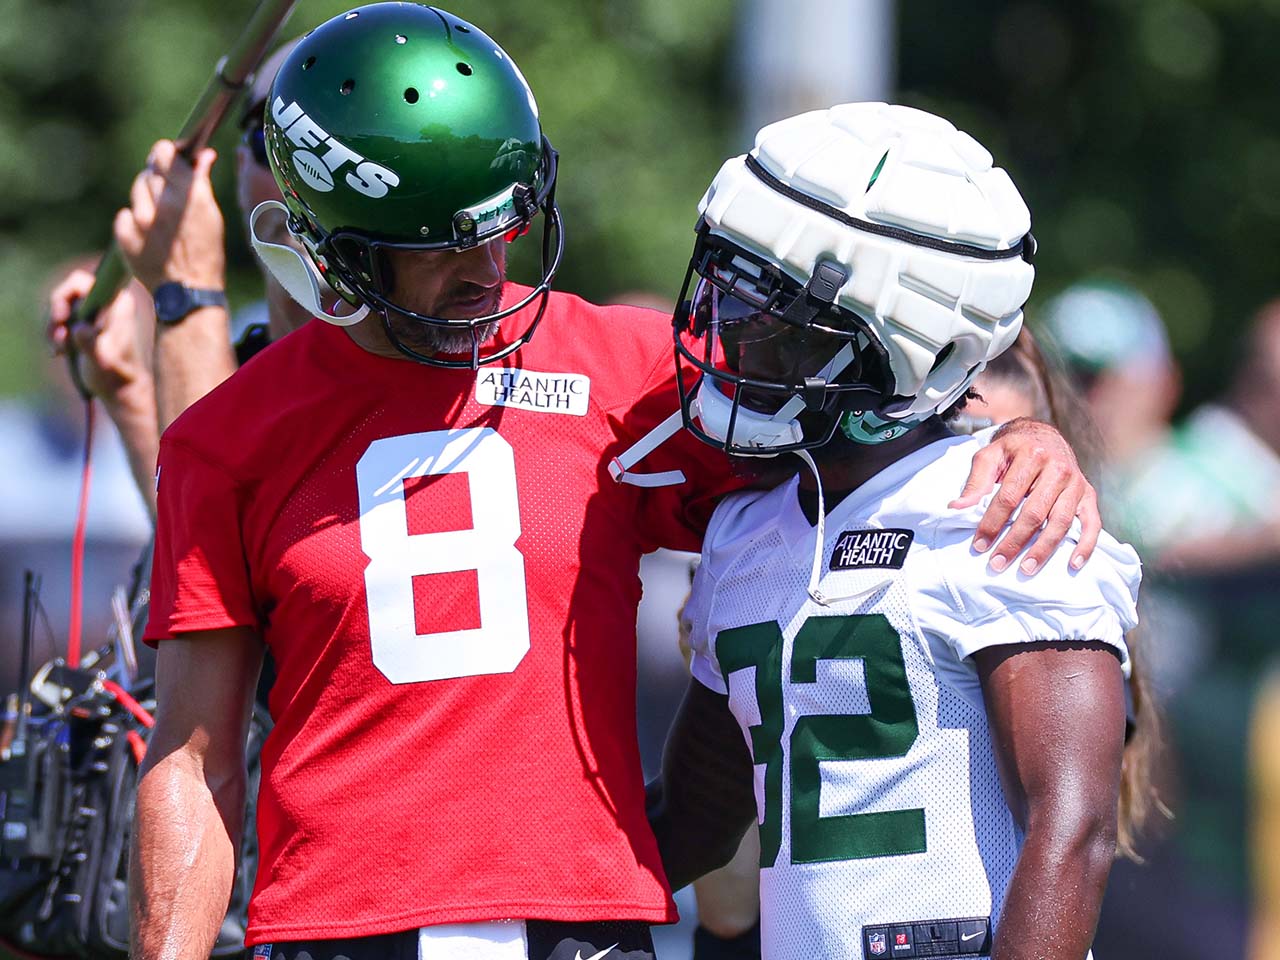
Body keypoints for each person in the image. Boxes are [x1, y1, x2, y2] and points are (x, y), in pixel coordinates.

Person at [128, 7, 1101, 959]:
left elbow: (852, 402)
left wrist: (1005, 437)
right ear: (331, 241)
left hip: (581, 928)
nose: (483, 264)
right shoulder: (227, 438)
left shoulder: (621, 366)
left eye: (500, 223)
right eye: (439, 241)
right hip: (342, 927)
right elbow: (192, 766)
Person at [648, 103, 1140, 960]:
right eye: (729, 292)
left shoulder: (1004, 503)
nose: (725, 334)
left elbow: (1074, 826)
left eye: (774, 319)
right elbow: (694, 818)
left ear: (897, 349)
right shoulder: (749, 527)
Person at [45, 40, 307, 515]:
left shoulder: (437, 357)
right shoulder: (240, 371)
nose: (312, 178)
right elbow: (192, 557)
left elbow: (222, 541)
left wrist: (185, 290)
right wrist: (127, 392)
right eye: (283, 142)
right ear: (240, 168)